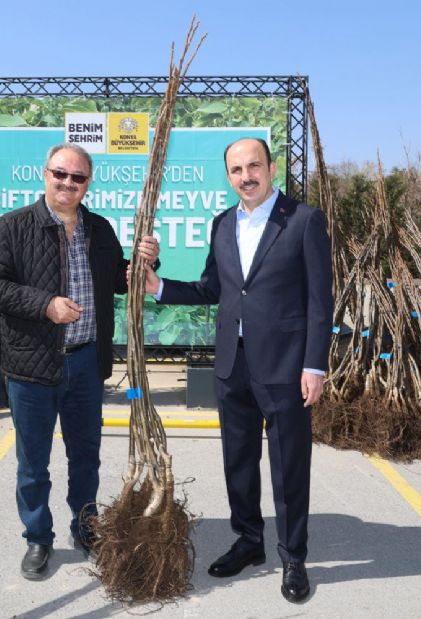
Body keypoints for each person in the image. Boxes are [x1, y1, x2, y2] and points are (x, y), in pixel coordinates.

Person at [143, 137, 333, 603]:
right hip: (233, 362)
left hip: (287, 366)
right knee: (239, 460)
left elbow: (319, 302)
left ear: (271, 168)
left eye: (254, 166)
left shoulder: (304, 220)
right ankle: (249, 542)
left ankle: (293, 557)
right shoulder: (222, 223)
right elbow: (214, 287)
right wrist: (159, 285)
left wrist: (314, 365)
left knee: (290, 465)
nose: (246, 176)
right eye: (236, 169)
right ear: (228, 176)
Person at [0, 143, 159, 581]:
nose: (67, 183)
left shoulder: (99, 229)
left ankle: (85, 527)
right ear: (45, 174)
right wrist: (45, 305)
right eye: (60, 173)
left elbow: (121, 280)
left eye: (77, 177)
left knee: (86, 456)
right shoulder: (13, 226)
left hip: (84, 364)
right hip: (30, 367)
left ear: (87, 183)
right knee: (33, 462)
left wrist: (145, 260)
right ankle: (38, 537)